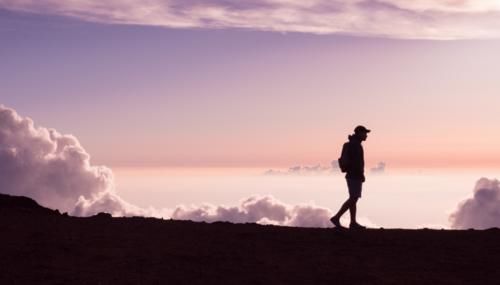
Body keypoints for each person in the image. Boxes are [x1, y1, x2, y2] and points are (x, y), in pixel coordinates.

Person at [330, 125, 370, 230]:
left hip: (351, 175)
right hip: (354, 175)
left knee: (353, 198)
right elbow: (357, 163)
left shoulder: (353, 144)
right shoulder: (355, 145)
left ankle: (353, 222)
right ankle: (336, 217)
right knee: (354, 198)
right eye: (365, 133)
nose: (366, 135)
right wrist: (361, 174)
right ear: (359, 133)